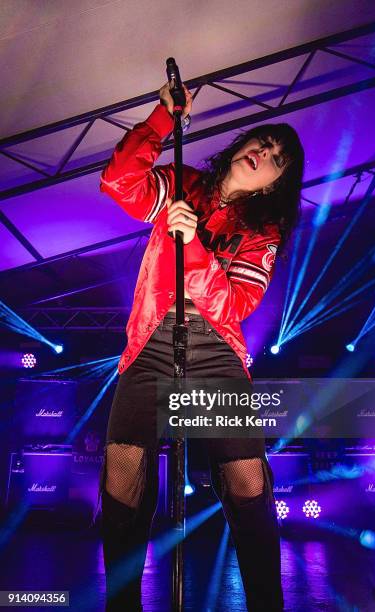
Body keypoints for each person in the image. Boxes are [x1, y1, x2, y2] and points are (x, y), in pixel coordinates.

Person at [96, 80, 304, 611]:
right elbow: (119, 181)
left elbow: (234, 304)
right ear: (241, 144)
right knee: (123, 479)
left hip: (215, 352)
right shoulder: (183, 184)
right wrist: (163, 118)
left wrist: (193, 249)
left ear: (274, 183)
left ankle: (266, 604)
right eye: (262, 141)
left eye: (277, 158)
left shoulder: (263, 231)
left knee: (246, 483)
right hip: (150, 341)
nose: (263, 153)